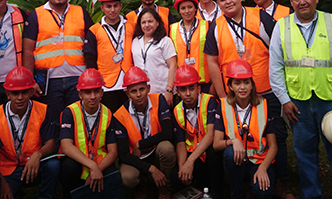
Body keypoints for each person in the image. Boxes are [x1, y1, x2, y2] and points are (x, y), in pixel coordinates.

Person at [203, 0, 293, 198]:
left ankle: (279, 179)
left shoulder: (260, 17)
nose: (228, 2)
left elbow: (280, 49)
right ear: (218, 2)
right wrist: (224, 97)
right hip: (234, 95)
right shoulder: (216, 26)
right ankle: (239, 178)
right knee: (235, 136)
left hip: (265, 91)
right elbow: (212, 62)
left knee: (276, 136)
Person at [269, 0, 332, 199]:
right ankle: (311, 195)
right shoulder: (282, 26)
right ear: (291, 2)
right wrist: (284, 100)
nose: (302, 2)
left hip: (331, 98)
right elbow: (275, 67)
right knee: (305, 154)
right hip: (298, 102)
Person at [22, 0, 94, 127]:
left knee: (77, 122)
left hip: (77, 78)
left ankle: (73, 152)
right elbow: (27, 50)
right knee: (52, 123)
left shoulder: (81, 12)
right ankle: (56, 152)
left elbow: (93, 44)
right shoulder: (36, 15)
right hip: (48, 81)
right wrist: (30, 80)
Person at [0, 66, 59, 199]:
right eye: (15, 93)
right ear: (7, 94)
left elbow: (51, 144)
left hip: (33, 166)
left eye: (24, 92)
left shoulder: (43, 110)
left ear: (31, 92)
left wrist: (38, 155)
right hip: (7, 170)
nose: (20, 97)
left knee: (53, 164)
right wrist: (3, 183)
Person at [213, 60, 277, 199]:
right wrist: (233, 141)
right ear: (230, 86)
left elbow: (273, 147)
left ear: (252, 85)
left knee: (263, 193)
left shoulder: (264, 105)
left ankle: (255, 189)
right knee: (229, 153)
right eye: (237, 83)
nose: (242, 87)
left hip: (259, 161)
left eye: (247, 82)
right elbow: (216, 144)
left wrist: (263, 168)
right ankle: (237, 194)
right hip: (237, 162)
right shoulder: (223, 106)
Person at [113, 67, 175, 199]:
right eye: (133, 91)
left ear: (148, 88)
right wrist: (151, 169)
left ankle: (165, 186)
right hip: (135, 157)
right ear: (127, 94)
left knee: (167, 148)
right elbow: (123, 154)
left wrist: (141, 144)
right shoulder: (119, 115)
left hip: (155, 150)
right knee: (127, 177)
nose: (139, 94)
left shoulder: (159, 99)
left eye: (141, 89)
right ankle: (142, 182)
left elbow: (168, 133)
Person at [59, 69, 120, 199]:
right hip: (78, 160)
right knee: (68, 167)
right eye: (87, 92)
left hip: (100, 161)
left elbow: (113, 151)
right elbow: (66, 146)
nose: (92, 96)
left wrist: (98, 168)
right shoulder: (69, 112)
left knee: (113, 174)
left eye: (96, 91)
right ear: (80, 94)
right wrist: (92, 166)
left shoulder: (107, 113)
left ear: (102, 92)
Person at [172, 65, 223, 198]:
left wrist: (190, 162)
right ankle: (197, 185)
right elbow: (180, 142)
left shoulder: (210, 101)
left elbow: (211, 134)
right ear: (177, 91)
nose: (188, 93)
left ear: (198, 88)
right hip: (194, 152)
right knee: (176, 176)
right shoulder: (177, 111)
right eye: (183, 89)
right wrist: (183, 167)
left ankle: (216, 191)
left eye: (191, 88)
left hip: (208, 149)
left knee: (213, 152)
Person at [84, 0, 134, 112]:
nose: (112, 10)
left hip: (129, 83)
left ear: (121, 6)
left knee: (129, 121)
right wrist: (96, 86)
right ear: (102, 8)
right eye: (108, 6)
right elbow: (90, 59)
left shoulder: (131, 26)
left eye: (115, 5)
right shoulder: (94, 30)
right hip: (107, 86)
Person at [130, 8, 177, 106]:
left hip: (163, 92)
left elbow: (173, 66)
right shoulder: (135, 42)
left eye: (150, 21)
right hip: (143, 95)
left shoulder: (165, 41)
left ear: (158, 23)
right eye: (143, 22)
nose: (147, 25)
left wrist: (169, 90)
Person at [169, 0, 212, 94]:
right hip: (182, 83)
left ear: (196, 8)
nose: (187, 11)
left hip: (203, 83)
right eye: (183, 8)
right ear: (178, 11)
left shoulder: (207, 25)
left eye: (190, 7)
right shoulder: (172, 29)